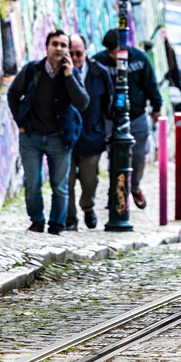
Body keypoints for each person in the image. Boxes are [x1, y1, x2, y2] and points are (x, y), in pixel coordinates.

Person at [6, 28, 88, 234]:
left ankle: (57, 225)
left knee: (60, 186)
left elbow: (82, 102)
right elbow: (13, 93)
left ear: (68, 50)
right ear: (47, 47)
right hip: (31, 135)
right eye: (55, 44)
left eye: (63, 45)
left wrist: (69, 76)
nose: (59, 48)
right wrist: (20, 123)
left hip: (60, 138)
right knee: (32, 182)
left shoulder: (73, 73)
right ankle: (37, 220)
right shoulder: (33, 70)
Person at [92, 29, 163, 210]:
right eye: (111, 52)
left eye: (117, 51)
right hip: (111, 118)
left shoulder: (139, 59)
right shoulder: (99, 62)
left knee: (139, 155)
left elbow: (150, 84)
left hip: (137, 116)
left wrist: (156, 106)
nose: (114, 56)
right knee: (115, 156)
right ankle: (116, 192)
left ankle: (135, 186)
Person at [66, 32, 114, 231]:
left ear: (86, 52)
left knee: (89, 180)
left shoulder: (98, 72)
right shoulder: (61, 73)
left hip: (92, 135)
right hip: (66, 137)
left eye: (79, 53)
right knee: (65, 183)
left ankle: (88, 207)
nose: (76, 58)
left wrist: (105, 129)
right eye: (72, 54)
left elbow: (109, 102)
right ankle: (70, 219)